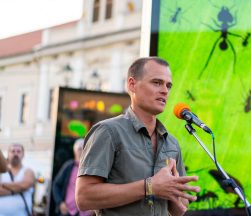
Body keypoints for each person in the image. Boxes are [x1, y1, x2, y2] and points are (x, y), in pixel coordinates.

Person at [76, 57, 200, 216]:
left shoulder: (171, 143)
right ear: (132, 84)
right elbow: (84, 197)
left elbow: (178, 210)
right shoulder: (107, 132)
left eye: (168, 85)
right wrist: (149, 187)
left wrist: (176, 194)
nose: (164, 90)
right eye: (156, 82)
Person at [53, 138, 93, 216]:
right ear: (74, 151)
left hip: (85, 213)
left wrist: (94, 209)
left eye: (84, 149)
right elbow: (56, 185)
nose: (82, 151)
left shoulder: (91, 168)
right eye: (79, 149)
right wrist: (60, 203)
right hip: (68, 211)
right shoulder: (68, 166)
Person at [0, 143, 35, 216]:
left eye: (18, 151)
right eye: (13, 151)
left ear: (23, 154)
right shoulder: (2, 171)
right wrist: (18, 188)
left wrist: (3, 185)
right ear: (8, 154)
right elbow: (22, 187)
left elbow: (25, 184)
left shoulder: (28, 171)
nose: (15, 154)